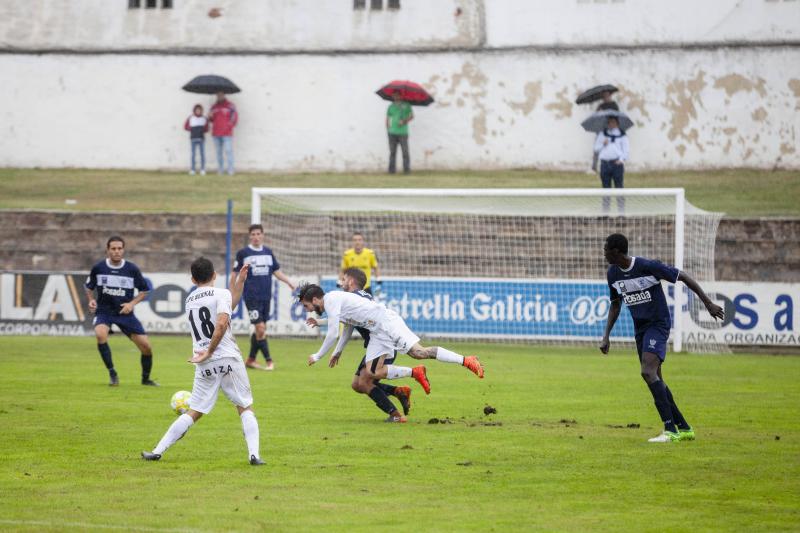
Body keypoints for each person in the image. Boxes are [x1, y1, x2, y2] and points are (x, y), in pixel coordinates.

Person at [599, 233, 724, 443]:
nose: (604, 254)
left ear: (617, 252)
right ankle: (683, 428)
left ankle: (670, 430)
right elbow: (615, 304)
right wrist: (606, 336)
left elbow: (682, 276)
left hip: (658, 325)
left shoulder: (647, 266)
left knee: (647, 372)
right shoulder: (613, 274)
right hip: (640, 329)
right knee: (656, 379)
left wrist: (708, 303)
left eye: (606, 250)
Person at [142, 259, 264, 465]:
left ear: (192, 279)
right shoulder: (221, 293)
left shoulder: (190, 300)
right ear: (215, 274)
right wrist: (211, 350)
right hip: (225, 357)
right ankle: (254, 455)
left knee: (194, 411)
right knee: (245, 406)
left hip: (203, 362)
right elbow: (222, 321)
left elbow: (226, 307)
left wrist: (240, 282)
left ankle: (157, 450)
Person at [298, 282, 484, 397]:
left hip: (386, 322)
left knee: (418, 352)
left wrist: (318, 355)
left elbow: (333, 333)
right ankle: (415, 373)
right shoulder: (334, 304)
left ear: (315, 299)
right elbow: (346, 328)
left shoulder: (332, 299)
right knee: (372, 372)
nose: (307, 309)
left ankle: (467, 360)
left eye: (307, 305)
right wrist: (337, 352)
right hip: (377, 332)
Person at [307, 268, 411, 422]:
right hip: (377, 344)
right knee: (357, 384)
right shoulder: (363, 297)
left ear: (350, 281)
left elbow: (344, 323)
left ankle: (396, 414)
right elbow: (345, 320)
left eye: (343, 280)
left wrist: (325, 353)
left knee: (364, 382)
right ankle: (399, 392)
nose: (341, 283)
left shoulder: (350, 298)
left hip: (382, 344)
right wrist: (322, 324)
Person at [84, 236, 157, 386]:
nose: (116, 251)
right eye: (113, 249)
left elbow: (144, 291)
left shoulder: (131, 269)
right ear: (108, 250)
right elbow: (89, 287)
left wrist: (131, 304)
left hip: (125, 313)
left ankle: (145, 379)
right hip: (104, 311)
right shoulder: (99, 268)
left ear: (123, 250)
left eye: (119, 248)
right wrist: (91, 300)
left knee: (146, 347)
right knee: (100, 334)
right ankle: (112, 373)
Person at [232, 224, 295, 370]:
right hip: (251, 296)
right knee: (260, 328)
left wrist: (289, 282)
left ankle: (251, 359)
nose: (256, 237)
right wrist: (232, 291)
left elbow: (276, 271)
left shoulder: (268, 252)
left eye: (258, 234)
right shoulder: (243, 253)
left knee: (260, 329)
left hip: (266, 297)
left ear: (263, 235)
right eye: (253, 234)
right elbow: (235, 274)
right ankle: (269, 361)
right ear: (249, 236)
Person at [594, 116, 629, 212]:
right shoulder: (602, 134)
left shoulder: (622, 135)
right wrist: (603, 144)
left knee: (619, 188)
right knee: (606, 189)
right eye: (609, 122)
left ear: (617, 123)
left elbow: (626, 150)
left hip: (616, 164)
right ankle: (605, 213)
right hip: (605, 164)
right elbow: (596, 148)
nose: (611, 124)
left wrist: (621, 160)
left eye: (613, 122)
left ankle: (621, 213)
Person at [590, 90, 620, 173]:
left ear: (610, 95)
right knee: (597, 148)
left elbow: (616, 117)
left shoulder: (614, 105)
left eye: (606, 95)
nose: (604, 98)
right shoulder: (601, 105)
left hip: (611, 130)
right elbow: (596, 116)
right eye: (603, 96)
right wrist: (599, 111)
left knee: (612, 148)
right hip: (601, 130)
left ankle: (614, 166)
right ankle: (594, 167)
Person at [208, 91, 237, 175]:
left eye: (221, 94)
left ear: (224, 95)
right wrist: (210, 116)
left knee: (228, 151)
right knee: (218, 152)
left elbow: (234, 117)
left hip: (227, 133)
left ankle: (230, 170)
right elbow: (211, 120)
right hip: (216, 133)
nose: (219, 96)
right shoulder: (213, 107)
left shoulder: (230, 106)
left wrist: (229, 126)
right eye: (218, 95)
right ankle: (220, 170)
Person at [386, 92, 413, 174]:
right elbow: (387, 118)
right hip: (392, 133)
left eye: (397, 94)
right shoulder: (390, 106)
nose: (395, 96)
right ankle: (391, 170)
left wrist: (404, 121)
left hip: (403, 133)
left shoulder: (406, 105)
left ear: (401, 95)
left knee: (405, 152)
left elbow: (411, 116)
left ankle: (406, 170)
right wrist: (388, 129)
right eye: (394, 95)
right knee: (392, 152)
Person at [184, 104, 209, 175]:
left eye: (199, 110)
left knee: (202, 154)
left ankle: (203, 169)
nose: (198, 111)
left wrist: (201, 130)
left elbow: (207, 128)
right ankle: (192, 169)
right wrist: (192, 130)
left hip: (201, 139)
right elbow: (186, 127)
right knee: (193, 155)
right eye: (197, 110)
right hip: (193, 139)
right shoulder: (191, 118)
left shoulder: (204, 118)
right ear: (194, 111)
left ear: (201, 111)